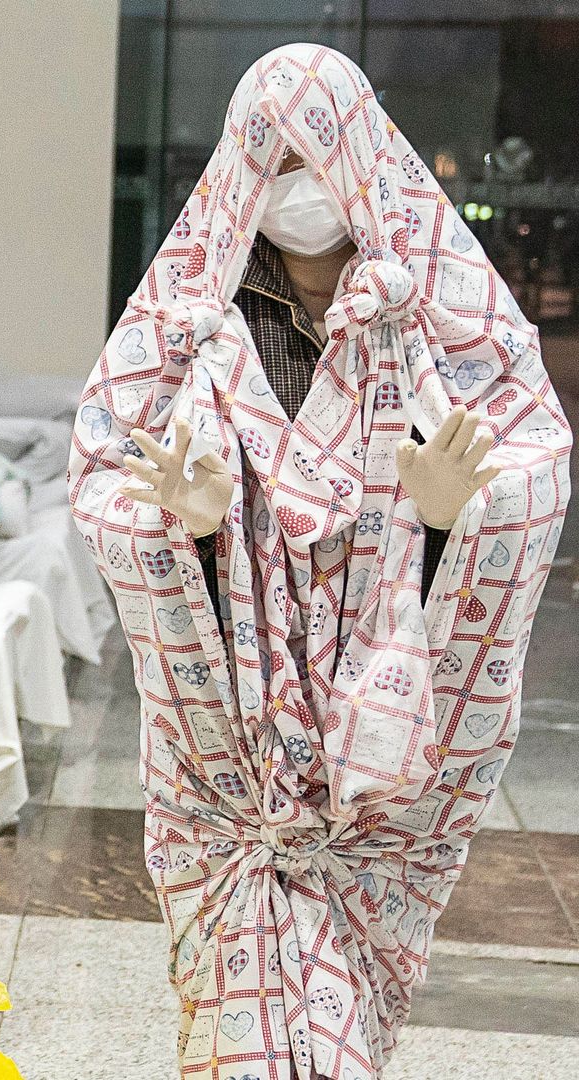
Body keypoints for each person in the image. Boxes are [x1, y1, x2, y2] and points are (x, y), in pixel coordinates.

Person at [69, 44, 568, 1077]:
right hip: (233, 772)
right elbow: (106, 468)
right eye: (278, 160)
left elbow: (531, 462)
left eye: (321, 156)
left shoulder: (438, 307)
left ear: (367, 160)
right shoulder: (192, 311)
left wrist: (448, 522)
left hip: (376, 758)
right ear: (245, 165)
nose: (302, 190)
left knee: (350, 1022)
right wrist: (187, 531)